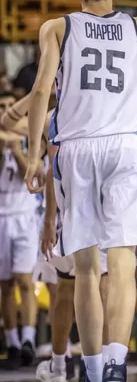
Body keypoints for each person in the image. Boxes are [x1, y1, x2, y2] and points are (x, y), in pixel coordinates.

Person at [24, 0, 137, 381]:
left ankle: (93, 368)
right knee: (120, 266)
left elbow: (39, 91)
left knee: (85, 270)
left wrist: (35, 155)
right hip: (125, 149)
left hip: (77, 149)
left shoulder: (57, 27)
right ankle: (117, 364)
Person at [0, 91, 41, 370]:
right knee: (4, 285)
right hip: (1, 216)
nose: (6, 110)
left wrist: (16, 150)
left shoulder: (30, 135)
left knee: (25, 281)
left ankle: (29, 340)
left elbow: (35, 176)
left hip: (25, 215)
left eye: (9, 106)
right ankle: (12, 341)